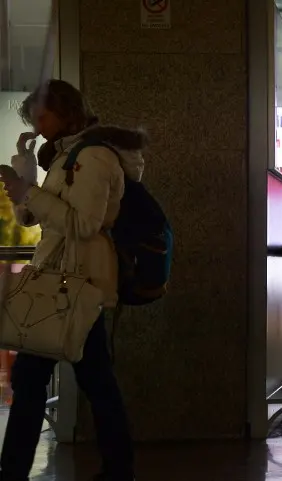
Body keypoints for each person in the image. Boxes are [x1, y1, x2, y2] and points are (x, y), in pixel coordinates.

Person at [0, 79, 144, 481]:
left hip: (77, 282)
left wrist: (29, 191)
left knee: (40, 379)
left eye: (42, 116)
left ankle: (15, 471)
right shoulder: (66, 156)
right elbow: (32, 218)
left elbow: (83, 225)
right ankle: (118, 469)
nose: (38, 126)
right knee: (91, 381)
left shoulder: (93, 156)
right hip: (66, 281)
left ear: (66, 113)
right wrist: (24, 176)